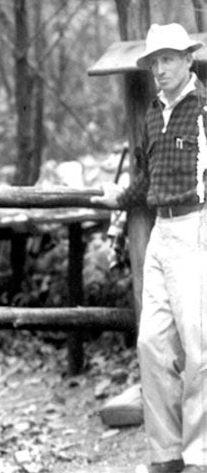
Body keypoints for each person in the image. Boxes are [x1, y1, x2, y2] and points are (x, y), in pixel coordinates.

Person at [91, 23, 207, 473]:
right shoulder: (153, 113)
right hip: (161, 232)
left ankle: (199, 455)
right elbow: (145, 179)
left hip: (196, 228)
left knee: (199, 349)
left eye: (168, 59)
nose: (159, 69)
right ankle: (166, 453)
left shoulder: (204, 108)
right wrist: (118, 197)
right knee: (151, 344)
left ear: (187, 60)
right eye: (154, 61)